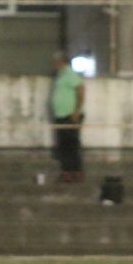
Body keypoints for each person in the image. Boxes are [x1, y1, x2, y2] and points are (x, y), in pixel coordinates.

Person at [51, 52, 85, 182]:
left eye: (55, 62)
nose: (53, 65)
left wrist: (76, 111)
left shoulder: (69, 74)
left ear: (62, 62)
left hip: (70, 115)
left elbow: (80, 89)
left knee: (72, 145)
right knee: (64, 145)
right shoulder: (60, 75)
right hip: (61, 115)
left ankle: (76, 171)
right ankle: (67, 172)